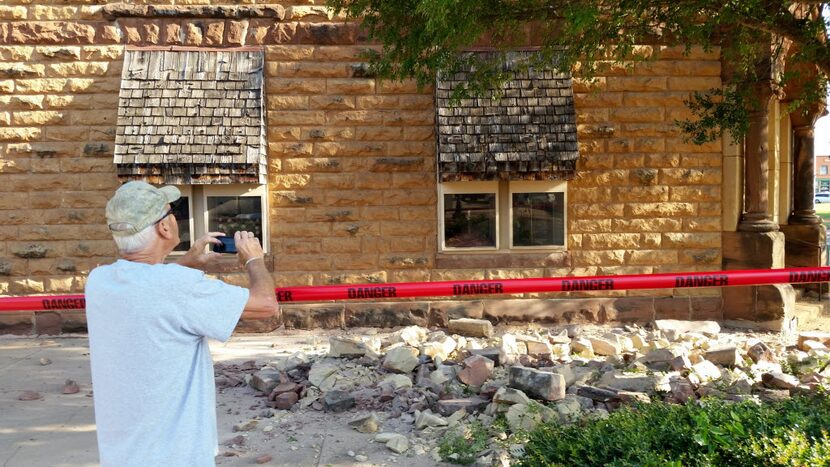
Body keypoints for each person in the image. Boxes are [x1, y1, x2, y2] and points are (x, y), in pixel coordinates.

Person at [85, 181, 279, 467]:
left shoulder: (99, 281)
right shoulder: (177, 286)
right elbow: (265, 305)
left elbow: (148, 289)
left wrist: (187, 263)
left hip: (121, 456)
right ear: (164, 228)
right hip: (176, 456)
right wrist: (253, 259)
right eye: (170, 212)